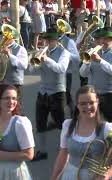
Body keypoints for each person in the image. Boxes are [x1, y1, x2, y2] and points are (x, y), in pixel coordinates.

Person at [51, 85, 112, 180]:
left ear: (97, 102)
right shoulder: (68, 125)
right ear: (77, 105)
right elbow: (62, 155)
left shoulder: (109, 129)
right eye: (83, 104)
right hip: (70, 176)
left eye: (91, 102)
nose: (88, 107)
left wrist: (106, 175)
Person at [29, 28, 70, 161]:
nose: (47, 42)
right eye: (46, 40)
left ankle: (64, 150)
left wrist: (46, 59)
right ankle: (42, 151)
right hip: (43, 92)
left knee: (61, 124)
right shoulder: (43, 51)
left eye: (50, 40)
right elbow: (31, 70)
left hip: (57, 92)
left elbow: (61, 68)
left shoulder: (64, 52)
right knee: (40, 123)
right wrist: (34, 59)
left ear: (57, 40)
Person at [80, 27, 112, 125]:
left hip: (110, 95)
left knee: (111, 126)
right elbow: (82, 74)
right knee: (93, 124)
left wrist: (100, 61)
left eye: (106, 39)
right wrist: (87, 62)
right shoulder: (94, 52)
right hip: (94, 94)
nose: (102, 41)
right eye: (101, 38)